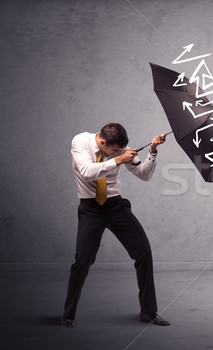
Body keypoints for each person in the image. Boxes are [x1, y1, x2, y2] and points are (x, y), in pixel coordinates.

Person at [61, 123, 170, 328]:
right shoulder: (80, 142)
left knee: (143, 252)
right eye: (114, 151)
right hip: (90, 208)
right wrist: (119, 159)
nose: (118, 153)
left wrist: (152, 151)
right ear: (102, 142)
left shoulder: (119, 150)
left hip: (115, 206)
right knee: (83, 261)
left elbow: (144, 174)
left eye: (120, 150)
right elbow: (86, 171)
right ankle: (68, 315)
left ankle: (148, 311)